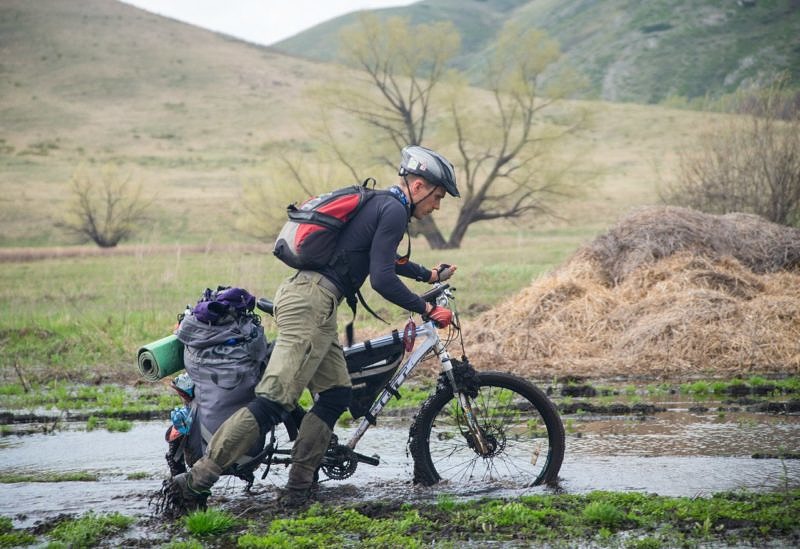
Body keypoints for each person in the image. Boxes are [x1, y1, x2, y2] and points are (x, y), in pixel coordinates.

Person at [164, 145, 459, 515]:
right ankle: (195, 482)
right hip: (310, 304)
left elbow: (382, 258)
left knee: (335, 394)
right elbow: (382, 278)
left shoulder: (383, 204)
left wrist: (428, 275)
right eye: (438, 196)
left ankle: (299, 489)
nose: (437, 206)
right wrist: (427, 307)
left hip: (314, 300)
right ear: (418, 186)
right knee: (274, 400)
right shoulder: (393, 211)